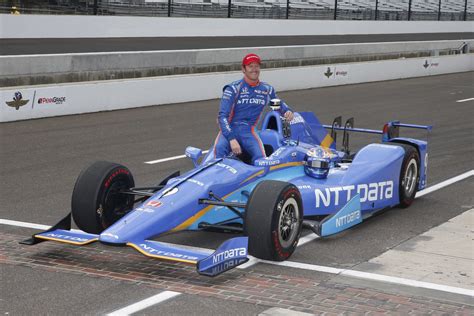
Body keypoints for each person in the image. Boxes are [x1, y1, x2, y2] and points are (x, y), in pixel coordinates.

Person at [212, 53, 294, 164]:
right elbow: (222, 116)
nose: (254, 69)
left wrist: (287, 111)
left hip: (249, 130)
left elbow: (278, 105)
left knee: (261, 159)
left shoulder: (266, 89)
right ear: (243, 69)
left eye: (256, 66)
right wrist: (231, 139)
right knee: (219, 153)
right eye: (250, 66)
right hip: (229, 129)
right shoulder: (233, 89)